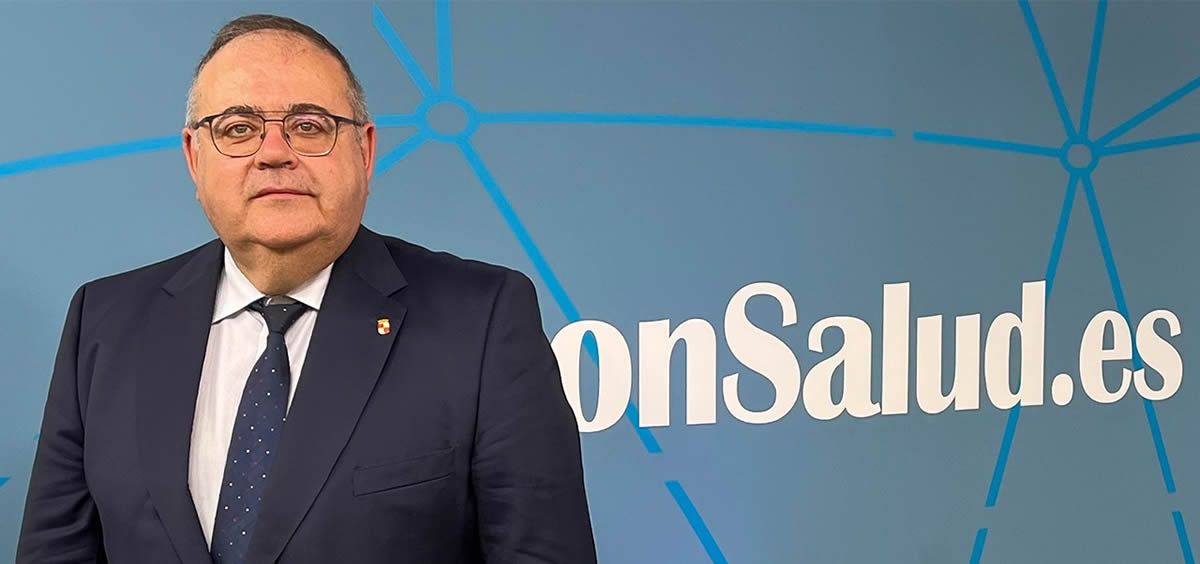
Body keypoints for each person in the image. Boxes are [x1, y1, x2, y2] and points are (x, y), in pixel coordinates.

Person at [16, 13, 597, 564]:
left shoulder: (482, 321)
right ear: (194, 158)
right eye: (238, 128)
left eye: (309, 126)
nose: (274, 153)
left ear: (365, 151)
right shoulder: (105, 322)